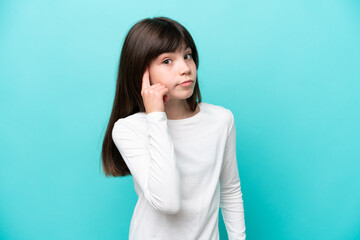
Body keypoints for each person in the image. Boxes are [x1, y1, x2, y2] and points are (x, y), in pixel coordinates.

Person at [101, 16, 246, 240]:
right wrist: (156, 116)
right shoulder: (128, 129)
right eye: (167, 61)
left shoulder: (221, 120)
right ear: (142, 72)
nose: (185, 68)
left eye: (187, 56)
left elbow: (230, 190)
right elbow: (168, 202)